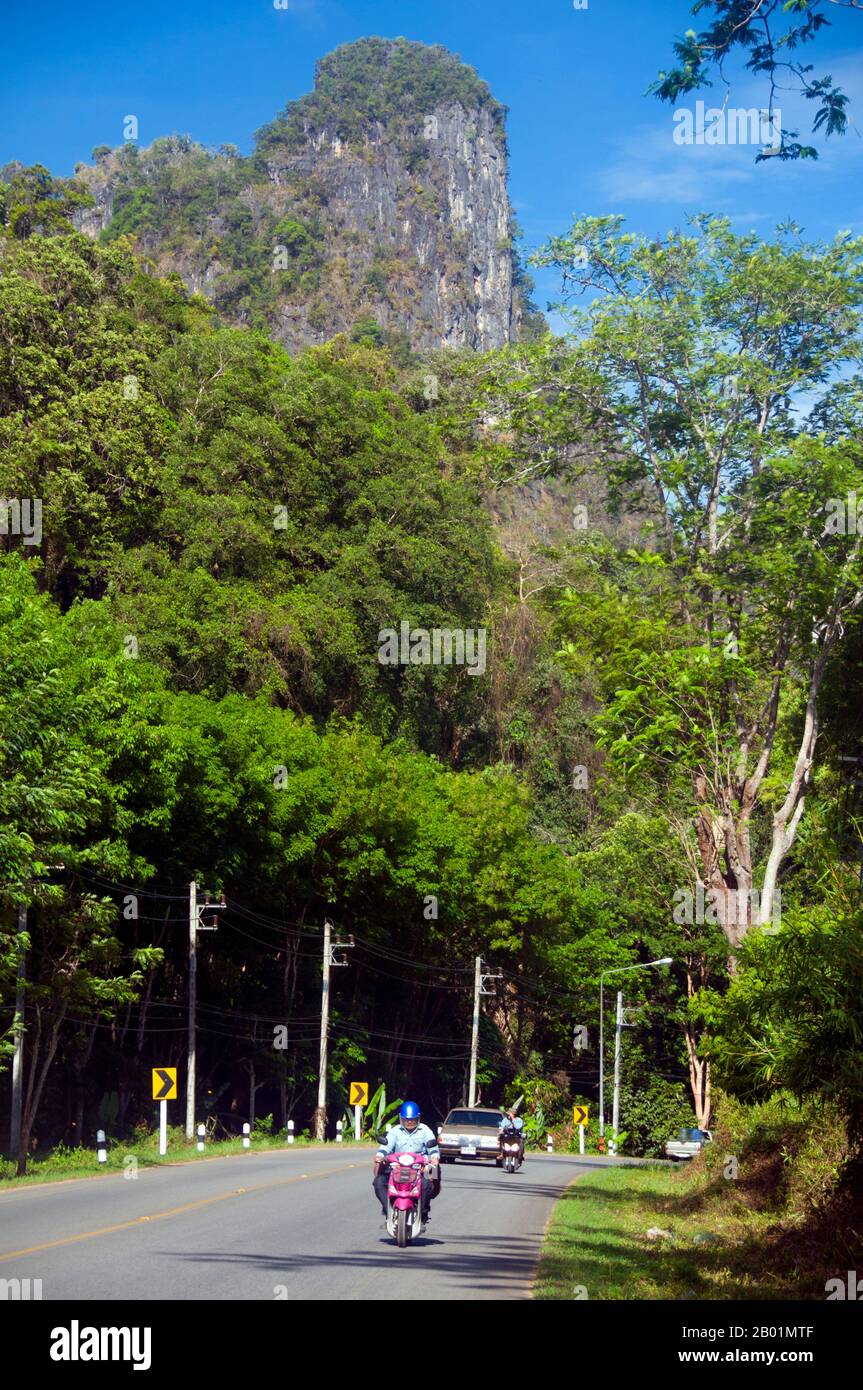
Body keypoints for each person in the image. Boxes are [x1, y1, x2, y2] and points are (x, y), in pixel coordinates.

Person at [373, 1100, 440, 1226]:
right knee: (378, 1182)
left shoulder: (425, 1130)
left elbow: (433, 1148)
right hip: (397, 1168)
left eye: (413, 1119)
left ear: (418, 1118)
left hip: (419, 1168)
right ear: (401, 1119)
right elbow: (385, 1147)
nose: (409, 1122)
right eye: (406, 1119)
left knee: (427, 1184)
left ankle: (424, 1212)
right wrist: (380, 1156)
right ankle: (388, 1212)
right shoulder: (395, 1131)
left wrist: (434, 1158)